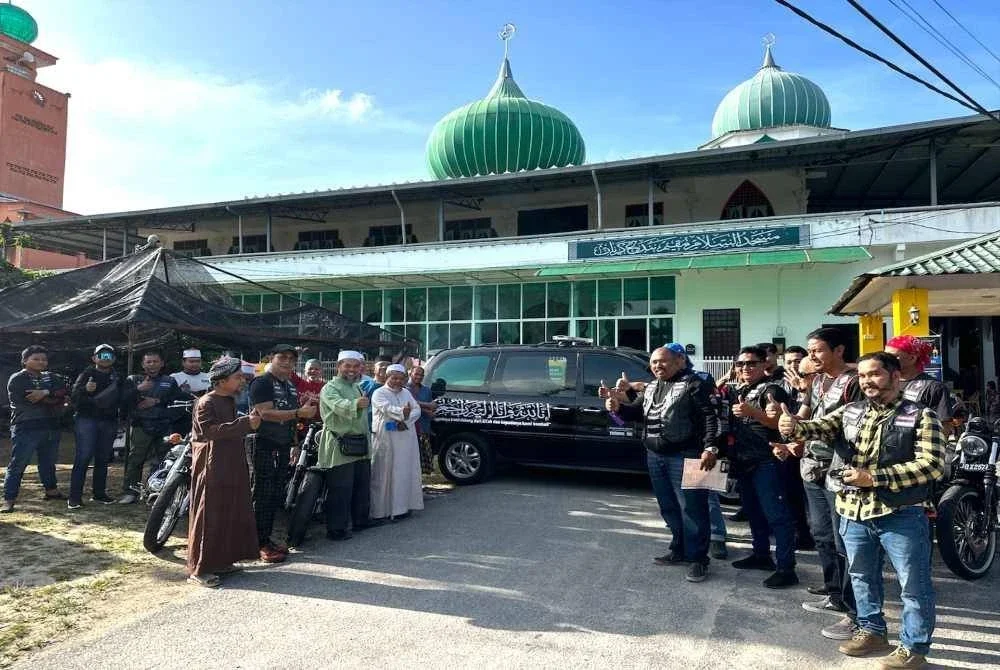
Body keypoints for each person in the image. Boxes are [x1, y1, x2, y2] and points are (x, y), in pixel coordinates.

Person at [780, 352, 944, 669]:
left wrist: (875, 478)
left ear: (896, 377)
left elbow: (933, 466)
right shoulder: (851, 411)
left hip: (901, 513)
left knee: (914, 585)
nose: (868, 381)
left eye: (876, 374)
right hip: (853, 511)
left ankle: (914, 647)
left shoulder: (921, 416)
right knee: (861, 577)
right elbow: (814, 429)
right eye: (864, 376)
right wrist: (791, 426)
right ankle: (871, 631)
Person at [605, 345, 721, 583]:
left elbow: (711, 416)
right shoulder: (651, 387)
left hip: (688, 456)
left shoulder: (694, 384)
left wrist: (711, 447)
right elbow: (637, 413)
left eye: (663, 361)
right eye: (654, 362)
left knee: (694, 509)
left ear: (679, 361)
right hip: (655, 456)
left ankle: (698, 559)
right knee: (668, 506)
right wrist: (618, 407)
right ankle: (678, 549)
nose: (658, 366)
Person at [784, 327, 863, 641]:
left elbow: (851, 426)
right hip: (811, 468)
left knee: (847, 542)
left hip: (840, 472)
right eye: (809, 351)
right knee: (822, 535)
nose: (810, 356)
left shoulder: (854, 382)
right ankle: (835, 593)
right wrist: (789, 429)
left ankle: (856, 613)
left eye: (817, 350)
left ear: (839, 350)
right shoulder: (816, 381)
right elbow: (803, 416)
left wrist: (802, 429)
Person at [186, 357, 263, 588]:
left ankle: (221, 560)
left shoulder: (228, 400)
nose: (242, 380)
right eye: (237, 377)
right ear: (221, 381)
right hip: (212, 463)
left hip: (231, 461)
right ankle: (200, 569)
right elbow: (210, 432)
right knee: (209, 512)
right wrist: (246, 424)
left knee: (230, 509)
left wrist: (247, 423)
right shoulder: (206, 402)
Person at [726, 346, 798, 588]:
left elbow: (779, 422)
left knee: (777, 516)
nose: (745, 368)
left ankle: (786, 568)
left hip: (767, 460)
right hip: (744, 461)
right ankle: (761, 555)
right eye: (740, 364)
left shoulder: (772, 389)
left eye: (751, 363)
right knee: (753, 513)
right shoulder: (739, 389)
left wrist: (753, 412)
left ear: (763, 364)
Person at [249, 343, 317, 562]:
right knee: (262, 493)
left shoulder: (289, 385)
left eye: (291, 359)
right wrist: (299, 411)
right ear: (271, 357)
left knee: (275, 494)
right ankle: (256, 542)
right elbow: (266, 413)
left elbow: (292, 421)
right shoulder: (261, 382)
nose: (287, 362)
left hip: (283, 444)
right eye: (282, 358)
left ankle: (265, 539)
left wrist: (295, 444)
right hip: (263, 443)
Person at [2, 346, 68, 513]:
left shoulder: (52, 377)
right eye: (36, 359)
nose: (41, 362)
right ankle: (9, 499)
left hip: (51, 425)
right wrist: (53, 397)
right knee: (18, 464)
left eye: (43, 359)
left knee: (48, 462)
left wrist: (46, 392)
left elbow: (65, 390)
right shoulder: (18, 378)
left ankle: (51, 491)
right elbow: (30, 398)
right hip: (26, 426)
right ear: (25, 361)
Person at [317, 350, 373, 540]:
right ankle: (336, 529)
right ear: (339, 366)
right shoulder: (329, 387)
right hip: (340, 444)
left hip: (360, 444)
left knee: (361, 486)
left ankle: (360, 522)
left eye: (355, 366)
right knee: (341, 489)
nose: (351, 369)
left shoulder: (356, 387)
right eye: (347, 365)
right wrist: (356, 403)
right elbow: (339, 405)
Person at [119, 350, 184, 504]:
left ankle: (154, 492)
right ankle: (130, 491)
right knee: (135, 459)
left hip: (163, 426)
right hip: (140, 425)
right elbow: (122, 401)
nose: (152, 365)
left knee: (162, 461)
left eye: (155, 361)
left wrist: (156, 402)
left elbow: (177, 402)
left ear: (161, 363)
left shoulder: (170, 381)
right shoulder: (133, 379)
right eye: (148, 362)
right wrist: (139, 389)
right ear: (143, 364)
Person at [68, 344, 122, 509]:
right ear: (94, 358)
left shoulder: (118, 377)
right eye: (101, 355)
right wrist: (85, 389)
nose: (105, 358)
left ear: (113, 358)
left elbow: (124, 397)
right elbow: (74, 398)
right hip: (86, 420)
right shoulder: (86, 374)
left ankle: (99, 494)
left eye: (109, 355)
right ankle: (74, 498)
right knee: (83, 457)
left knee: (103, 458)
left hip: (109, 421)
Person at [370, 364, 424, 521]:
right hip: (386, 438)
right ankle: (381, 512)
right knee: (384, 474)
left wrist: (405, 421)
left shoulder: (406, 392)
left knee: (404, 471)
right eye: (394, 378)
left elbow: (417, 410)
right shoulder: (378, 393)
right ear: (387, 377)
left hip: (405, 438)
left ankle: (402, 508)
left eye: (401, 378)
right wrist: (402, 414)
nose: (397, 381)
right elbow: (387, 408)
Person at [884, 336, 953, 433]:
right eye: (885, 356)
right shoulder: (883, 383)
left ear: (912, 358)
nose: (886, 360)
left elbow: (944, 426)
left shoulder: (934, 387)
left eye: (893, 356)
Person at [407, 365, 436, 475]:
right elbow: (411, 404)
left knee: (422, 459)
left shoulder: (426, 390)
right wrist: (427, 407)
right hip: (410, 428)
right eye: (416, 374)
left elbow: (432, 406)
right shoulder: (404, 389)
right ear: (411, 374)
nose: (419, 377)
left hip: (423, 428)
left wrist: (431, 411)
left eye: (421, 375)